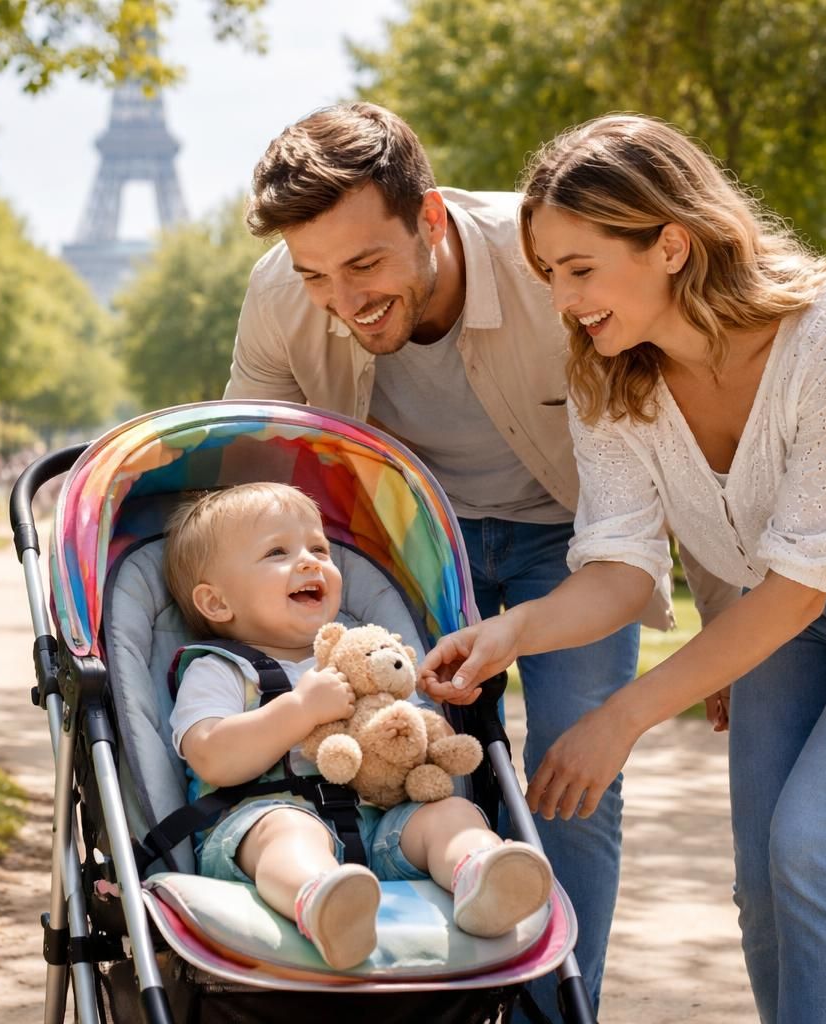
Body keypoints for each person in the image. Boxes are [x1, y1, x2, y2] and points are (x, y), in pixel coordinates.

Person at [419, 114, 826, 1024]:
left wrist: (623, 717)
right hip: (778, 604)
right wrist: (514, 630)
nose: (563, 300)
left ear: (670, 243)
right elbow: (621, 566)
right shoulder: (608, 375)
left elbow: (800, 587)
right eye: (548, 275)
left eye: (580, 269)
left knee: (815, 843)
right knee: (762, 886)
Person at [222, 101, 735, 1011]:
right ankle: (435, 995)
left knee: (575, 780)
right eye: (317, 275)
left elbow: (677, 432)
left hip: (577, 545)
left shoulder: (556, 265)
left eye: (366, 263)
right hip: (413, 547)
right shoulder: (278, 295)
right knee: (418, 768)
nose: (345, 299)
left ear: (429, 218)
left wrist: (722, 620)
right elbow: (250, 463)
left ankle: (559, 1010)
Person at [165, 482, 552, 970]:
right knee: (287, 830)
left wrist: (421, 730)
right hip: (259, 823)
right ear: (217, 603)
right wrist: (299, 709)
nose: (310, 562)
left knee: (450, 812)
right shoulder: (219, 669)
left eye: (319, 548)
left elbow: (414, 733)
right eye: (277, 552)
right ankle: (321, 898)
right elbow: (212, 756)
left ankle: (480, 874)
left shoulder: (367, 655)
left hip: (380, 828)